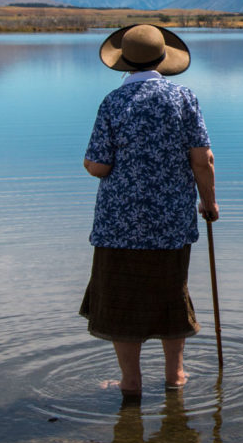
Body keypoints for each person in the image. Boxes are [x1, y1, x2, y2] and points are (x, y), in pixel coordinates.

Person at [79, 23, 218, 398]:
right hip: (171, 222)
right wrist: (209, 203)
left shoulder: (112, 103)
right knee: (171, 293)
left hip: (118, 225)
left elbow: (100, 165)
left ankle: (131, 383)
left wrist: (89, 164)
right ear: (163, 58)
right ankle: (176, 376)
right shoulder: (184, 98)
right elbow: (203, 160)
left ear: (124, 62)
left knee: (121, 300)